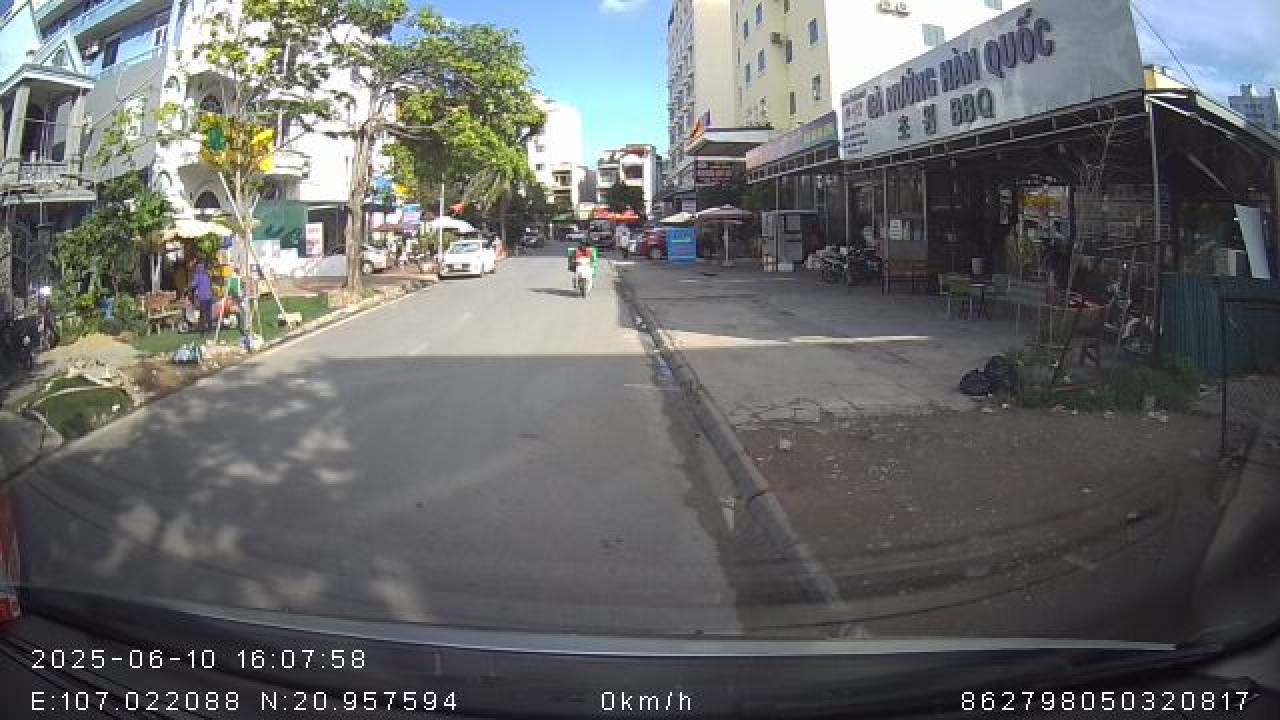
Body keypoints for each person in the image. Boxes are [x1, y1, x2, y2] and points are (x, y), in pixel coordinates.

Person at [190, 261, 214, 336]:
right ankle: (210, 330)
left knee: (202, 315)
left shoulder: (198, 276)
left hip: (203, 298)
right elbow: (209, 284)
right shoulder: (207, 275)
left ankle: (202, 332)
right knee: (209, 314)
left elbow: (193, 285)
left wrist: (189, 287)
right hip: (209, 297)